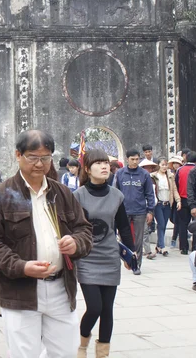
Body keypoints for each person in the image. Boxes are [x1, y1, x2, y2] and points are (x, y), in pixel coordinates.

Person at [0, 130, 93, 358]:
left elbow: (84, 229)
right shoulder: (1, 195)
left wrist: (76, 242)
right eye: (33, 157)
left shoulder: (61, 193)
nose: (40, 164)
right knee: (24, 354)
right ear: (18, 155)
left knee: (66, 353)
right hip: (21, 292)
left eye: (46, 157)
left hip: (61, 288)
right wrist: (21, 266)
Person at [73, 149, 135, 358]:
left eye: (106, 163)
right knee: (95, 307)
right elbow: (72, 228)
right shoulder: (78, 196)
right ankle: (82, 345)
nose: (104, 166)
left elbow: (124, 227)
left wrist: (130, 254)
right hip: (87, 258)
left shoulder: (116, 195)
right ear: (88, 169)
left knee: (107, 309)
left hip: (110, 257)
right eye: (98, 163)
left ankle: (102, 354)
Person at [114, 149, 156, 275]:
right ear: (127, 159)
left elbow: (150, 194)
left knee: (138, 239)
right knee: (123, 238)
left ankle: (136, 264)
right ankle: (126, 259)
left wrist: (150, 211)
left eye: (137, 159)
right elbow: (115, 193)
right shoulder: (120, 174)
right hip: (123, 211)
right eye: (132, 159)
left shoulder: (144, 174)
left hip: (140, 211)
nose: (135, 161)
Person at [150, 158, 181, 256]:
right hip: (158, 204)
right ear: (159, 165)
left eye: (166, 165)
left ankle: (159, 246)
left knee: (163, 225)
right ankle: (162, 247)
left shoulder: (170, 176)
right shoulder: (153, 176)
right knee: (161, 224)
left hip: (168, 204)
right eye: (162, 165)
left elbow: (174, 190)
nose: (164, 167)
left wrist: (178, 201)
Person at [175, 151, 196, 254]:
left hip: (183, 199)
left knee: (183, 224)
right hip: (195, 200)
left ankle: (184, 247)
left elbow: (176, 185)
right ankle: (195, 247)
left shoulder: (180, 170)